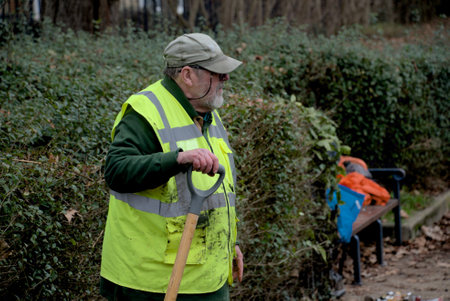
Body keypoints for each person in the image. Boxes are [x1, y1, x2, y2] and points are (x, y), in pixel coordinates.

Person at [99, 33, 244, 301]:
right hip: (152, 283)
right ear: (187, 75)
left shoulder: (207, 113)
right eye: (217, 73)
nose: (225, 79)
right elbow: (117, 171)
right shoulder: (146, 111)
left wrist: (229, 243)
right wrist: (177, 159)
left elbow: (220, 193)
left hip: (206, 278)